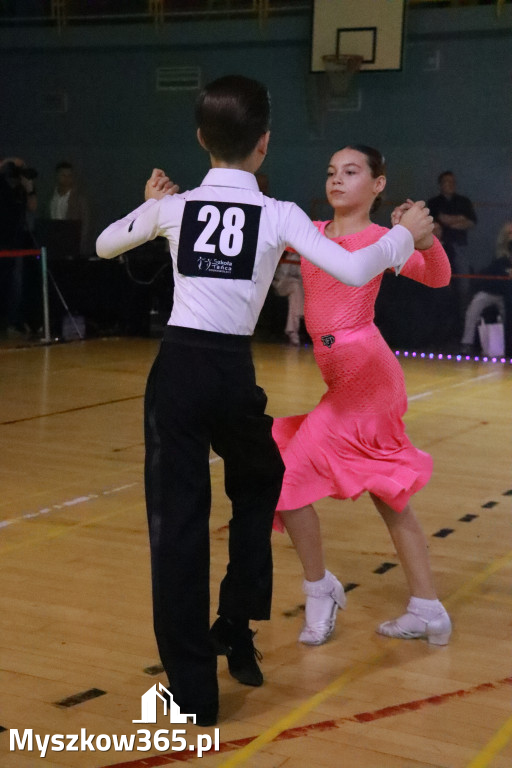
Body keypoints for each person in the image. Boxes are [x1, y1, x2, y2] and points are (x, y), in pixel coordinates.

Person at [96, 77, 433, 726]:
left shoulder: (176, 207)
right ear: (265, 143)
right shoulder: (278, 214)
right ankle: (235, 621)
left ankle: (196, 688)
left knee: (181, 525)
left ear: (202, 138)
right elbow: (355, 269)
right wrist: (405, 236)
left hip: (179, 374)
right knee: (261, 486)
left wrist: (150, 207)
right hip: (230, 374)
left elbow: (107, 243)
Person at [272, 145, 453, 650]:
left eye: (351, 172)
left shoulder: (380, 240)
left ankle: (320, 590)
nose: (337, 179)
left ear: (377, 185)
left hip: (368, 382)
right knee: (389, 496)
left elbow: (438, 277)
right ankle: (428, 609)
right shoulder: (311, 232)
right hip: (343, 382)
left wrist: (424, 238)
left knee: (286, 479)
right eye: (331, 171)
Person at [427, 171, 476, 326]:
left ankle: (462, 322)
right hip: (440, 248)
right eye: (447, 181)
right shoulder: (434, 202)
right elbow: (436, 222)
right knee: (441, 286)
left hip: (460, 247)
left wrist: (448, 221)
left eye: (453, 181)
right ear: (440, 184)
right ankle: (442, 323)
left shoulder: (463, 201)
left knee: (463, 284)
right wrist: (459, 219)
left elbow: (470, 222)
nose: (451, 184)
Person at [461, 221, 512, 354]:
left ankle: (506, 345)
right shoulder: (499, 252)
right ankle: (467, 343)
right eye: (509, 233)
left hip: (506, 293)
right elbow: (494, 270)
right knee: (474, 306)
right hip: (491, 290)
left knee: (507, 313)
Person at [0, 156, 38, 335]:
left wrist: (30, 189)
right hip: (2, 239)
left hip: (16, 241)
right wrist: (7, 162)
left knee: (16, 283)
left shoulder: (20, 189)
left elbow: (33, 207)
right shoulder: (2, 186)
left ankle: (13, 322)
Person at [49, 161, 90, 254]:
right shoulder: (50, 198)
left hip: (71, 242)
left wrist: (80, 243)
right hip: (52, 242)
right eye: (63, 175)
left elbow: (85, 223)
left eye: (69, 175)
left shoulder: (79, 199)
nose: (66, 179)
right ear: (56, 176)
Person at [272, 251, 305, 345]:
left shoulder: (303, 257)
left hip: (297, 287)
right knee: (296, 285)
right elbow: (282, 274)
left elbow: (303, 277)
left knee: (294, 296)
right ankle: (301, 313)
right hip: (280, 284)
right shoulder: (284, 253)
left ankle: (292, 332)